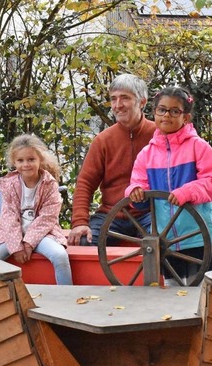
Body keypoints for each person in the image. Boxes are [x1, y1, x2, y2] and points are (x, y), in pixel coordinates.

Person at [125, 86, 212, 286]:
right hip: (167, 240)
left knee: (204, 294)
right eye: (162, 110)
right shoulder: (146, 155)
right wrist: (134, 193)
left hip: (201, 237)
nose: (167, 115)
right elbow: (138, 185)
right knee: (173, 294)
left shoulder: (199, 147)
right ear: (154, 113)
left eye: (175, 111)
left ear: (186, 117)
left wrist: (186, 192)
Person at [69, 73, 156, 246]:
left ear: (142, 102)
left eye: (125, 98)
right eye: (113, 99)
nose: (117, 105)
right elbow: (85, 182)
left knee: (166, 243)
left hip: (150, 215)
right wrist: (79, 222)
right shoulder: (103, 140)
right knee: (84, 242)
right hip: (111, 215)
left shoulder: (158, 136)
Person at [0, 134, 72, 285]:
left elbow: (48, 218)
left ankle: (68, 295)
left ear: (40, 160)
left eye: (31, 159)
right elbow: (8, 217)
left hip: (43, 234)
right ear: (14, 162)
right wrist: (16, 247)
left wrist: (29, 243)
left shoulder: (49, 185)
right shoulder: (9, 185)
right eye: (20, 160)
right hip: (11, 235)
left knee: (60, 256)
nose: (26, 164)